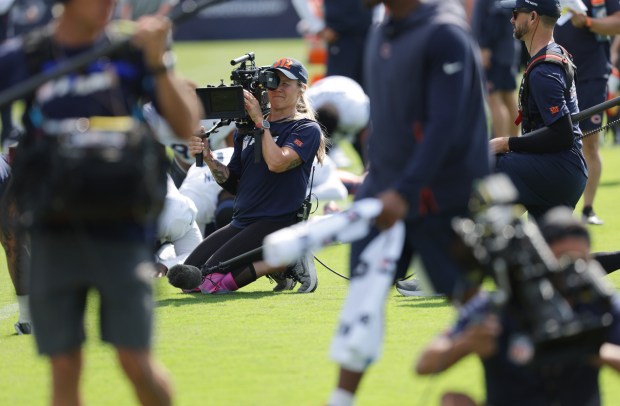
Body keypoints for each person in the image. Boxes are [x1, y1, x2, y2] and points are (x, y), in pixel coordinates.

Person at [0, 0, 201, 404]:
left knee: (135, 362)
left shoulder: (130, 53)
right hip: (54, 233)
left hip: (122, 234)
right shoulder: (29, 55)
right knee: (64, 368)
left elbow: (186, 124)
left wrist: (159, 62)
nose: (111, 3)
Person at [326, 1, 490, 405]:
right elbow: (388, 123)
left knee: (473, 309)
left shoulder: (445, 33)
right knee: (362, 301)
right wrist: (376, 180)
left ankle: (519, 390)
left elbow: (444, 126)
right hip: (384, 193)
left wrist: (406, 191)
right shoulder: (380, 30)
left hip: (443, 201)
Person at [415, 206, 620, 406]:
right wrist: (465, 343)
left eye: (581, 262)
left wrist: (597, 350)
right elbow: (425, 363)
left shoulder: (598, 304)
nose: (573, 271)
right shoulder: (501, 308)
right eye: (563, 261)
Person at [168, 57, 326, 294]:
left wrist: (260, 122)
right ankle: (278, 266)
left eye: (287, 83)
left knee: (210, 285)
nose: (278, 89)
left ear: (301, 88)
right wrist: (209, 158)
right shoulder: (247, 130)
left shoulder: (305, 128)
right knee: (188, 281)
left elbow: (277, 163)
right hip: (242, 221)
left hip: (278, 220)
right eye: (274, 82)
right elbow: (233, 182)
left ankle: (287, 261)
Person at [489, 0, 587, 223]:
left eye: (516, 13)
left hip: (557, 168)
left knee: (490, 164)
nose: (512, 19)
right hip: (563, 170)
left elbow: (562, 134)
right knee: (542, 252)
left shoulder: (543, 70)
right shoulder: (554, 55)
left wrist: (506, 143)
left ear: (533, 17)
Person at [554, 1, 620, 225]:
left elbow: (617, 23)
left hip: (592, 73)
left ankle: (588, 208)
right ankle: (559, 210)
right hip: (556, 70)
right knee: (555, 141)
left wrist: (589, 21)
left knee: (589, 143)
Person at [471, 0, 521, 139]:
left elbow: (497, 15)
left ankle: (502, 147)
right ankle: (514, 144)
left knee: (495, 99)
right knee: (508, 97)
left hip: (495, 53)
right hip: (506, 50)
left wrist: (485, 47)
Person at [307, 74, 370, 167]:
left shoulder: (357, 115)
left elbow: (365, 134)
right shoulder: (303, 108)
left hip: (353, 104)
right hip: (340, 87)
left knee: (366, 148)